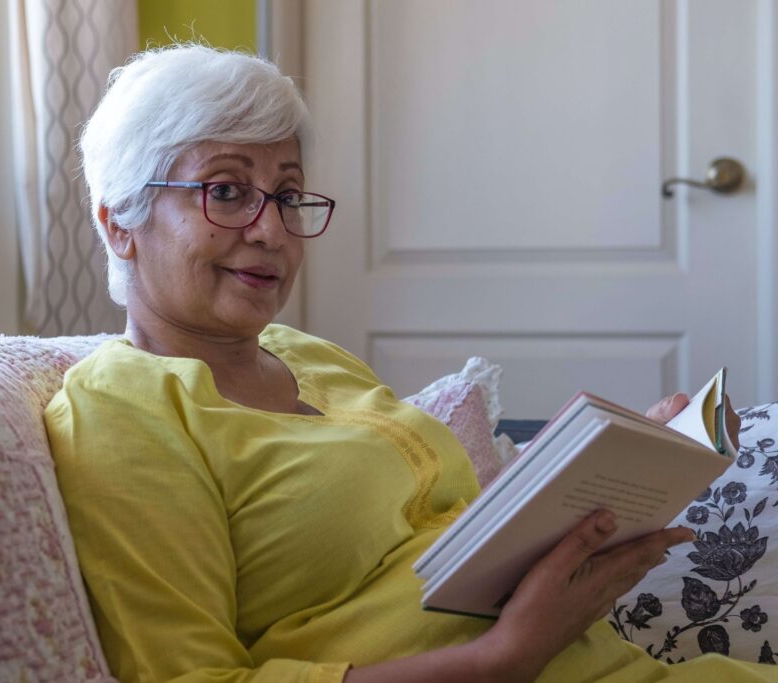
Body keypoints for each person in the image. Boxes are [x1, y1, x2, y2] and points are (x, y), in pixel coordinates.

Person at [44, 44, 773, 682]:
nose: (271, 230)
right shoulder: (120, 406)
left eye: (289, 195)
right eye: (227, 191)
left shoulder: (310, 358)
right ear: (120, 221)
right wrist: (501, 661)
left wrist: (590, 472)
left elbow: (441, 541)